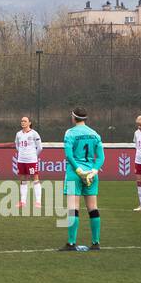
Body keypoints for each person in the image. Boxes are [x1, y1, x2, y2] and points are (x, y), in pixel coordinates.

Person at [60, 106, 103, 252]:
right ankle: (96, 242)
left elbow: (69, 155)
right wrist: (93, 171)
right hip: (91, 174)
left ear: (73, 117)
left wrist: (78, 170)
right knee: (93, 208)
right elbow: (101, 157)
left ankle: (71, 243)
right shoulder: (95, 134)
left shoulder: (70, 133)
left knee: (73, 209)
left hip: (74, 174)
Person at [14, 116, 42, 210]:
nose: (23, 122)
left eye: (25, 121)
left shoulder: (34, 134)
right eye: (22, 121)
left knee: (35, 179)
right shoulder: (18, 134)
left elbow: (40, 147)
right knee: (23, 180)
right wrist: (22, 154)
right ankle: (23, 201)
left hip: (31, 160)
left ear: (29, 123)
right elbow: (17, 145)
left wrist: (34, 156)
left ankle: (38, 201)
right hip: (21, 160)